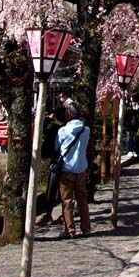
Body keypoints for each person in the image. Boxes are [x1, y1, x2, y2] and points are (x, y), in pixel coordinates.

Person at [48, 102, 93, 238]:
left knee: (67, 201)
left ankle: (70, 230)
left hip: (67, 169)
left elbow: (57, 147)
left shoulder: (63, 131)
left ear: (69, 114)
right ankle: (86, 228)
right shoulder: (86, 130)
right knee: (82, 200)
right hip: (81, 168)